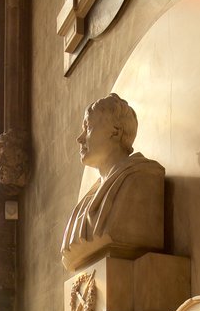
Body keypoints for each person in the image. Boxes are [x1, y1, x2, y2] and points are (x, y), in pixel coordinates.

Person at [61, 93, 165, 271]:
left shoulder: (140, 179)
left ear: (116, 132)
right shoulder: (86, 201)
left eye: (88, 127)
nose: (80, 138)